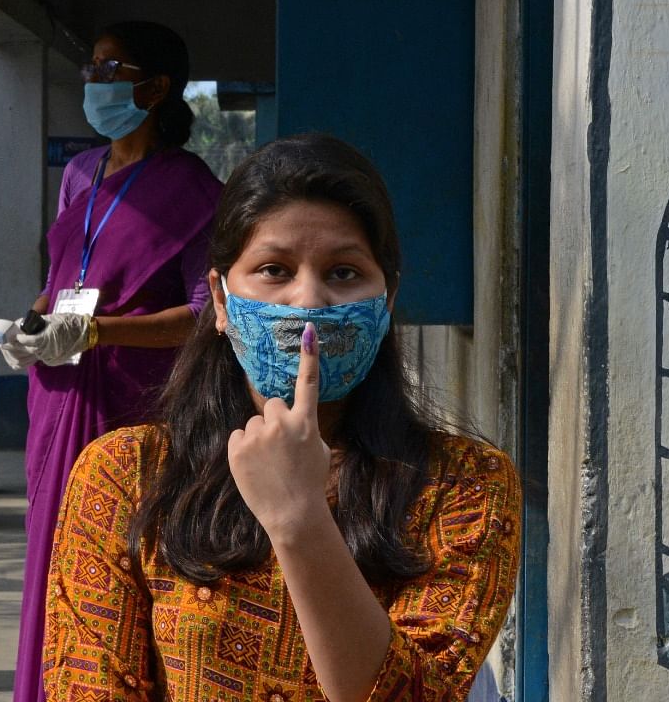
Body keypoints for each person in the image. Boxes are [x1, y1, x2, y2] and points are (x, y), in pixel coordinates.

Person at [42, 135, 522, 701]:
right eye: (274, 269)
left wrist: (301, 521)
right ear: (221, 299)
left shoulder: (463, 484)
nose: (309, 302)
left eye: (344, 273)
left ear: (386, 299)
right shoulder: (125, 475)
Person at [0, 21, 222, 702]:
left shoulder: (194, 191)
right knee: (52, 544)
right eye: (91, 68)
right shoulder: (79, 173)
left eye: (109, 68)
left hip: (131, 401)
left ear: (154, 88)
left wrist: (102, 333)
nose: (91, 81)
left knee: (115, 554)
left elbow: (204, 315)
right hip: (57, 391)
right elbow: (63, 273)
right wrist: (36, 323)